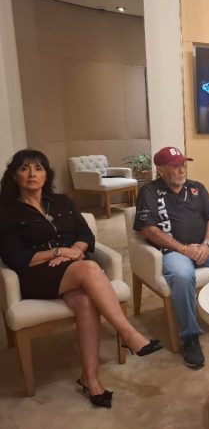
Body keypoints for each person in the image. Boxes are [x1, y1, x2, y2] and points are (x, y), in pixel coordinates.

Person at [0, 149, 162, 409]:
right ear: (14, 175)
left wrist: (73, 251)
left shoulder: (62, 201)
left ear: (46, 174)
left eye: (38, 168)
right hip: (36, 275)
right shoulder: (7, 213)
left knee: (85, 301)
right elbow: (15, 257)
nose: (32, 174)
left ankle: (90, 379)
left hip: (73, 267)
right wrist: (59, 252)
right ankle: (127, 333)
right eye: (24, 168)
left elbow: (86, 235)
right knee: (88, 269)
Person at [133, 146, 209, 369]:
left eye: (183, 164)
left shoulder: (197, 188)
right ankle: (190, 336)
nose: (182, 170)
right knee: (183, 277)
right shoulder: (149, 192)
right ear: (160, 170)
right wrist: (184, 249)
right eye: (175, 166)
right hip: (173, 251)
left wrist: (207, 244)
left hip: (204, 246)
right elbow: (149, 230)